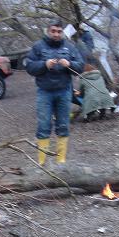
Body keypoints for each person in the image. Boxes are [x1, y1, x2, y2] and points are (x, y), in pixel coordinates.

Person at [26, 19, 84, 165]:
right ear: (48, 31)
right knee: (44, 126)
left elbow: (81, 66)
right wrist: (44, 64)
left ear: (62, 32)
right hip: (44, 92)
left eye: (59, 31)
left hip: (64, 92)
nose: (56, 34)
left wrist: (69, 64)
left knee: (63, 126)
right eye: (53, 31)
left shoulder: (70, 47)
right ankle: (42, 163)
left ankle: (61, 162)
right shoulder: (38, 47)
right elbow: (29, 67)